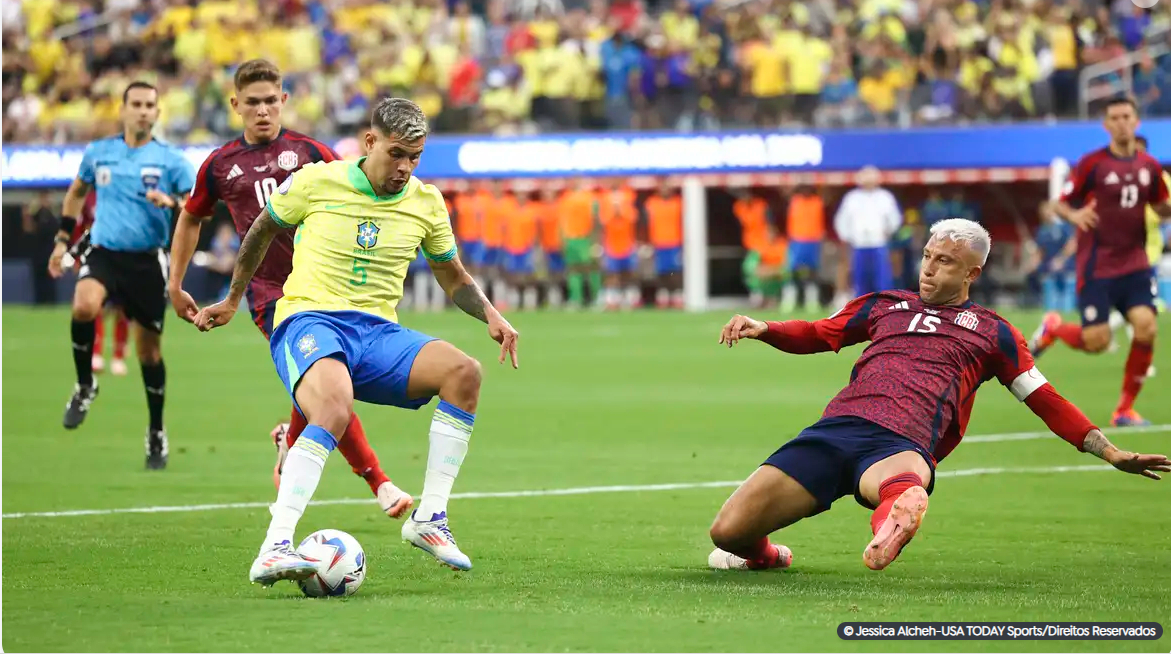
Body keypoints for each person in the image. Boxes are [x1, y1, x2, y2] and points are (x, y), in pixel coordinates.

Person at [708, 219, 1170, 573]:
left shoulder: (995, 333)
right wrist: (765, 329)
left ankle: (896, 520)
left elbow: (1043, 398)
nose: (928, 268)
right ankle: (766, 556)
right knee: (727, 532)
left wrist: (1108, 450)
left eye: (944, 262)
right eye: (927, 256)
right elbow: (816, 332)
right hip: (835, 430)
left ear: (973, 272)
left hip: (901, 444)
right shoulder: (884, 304)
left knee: (901, 486)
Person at [193, 97, 519, 584]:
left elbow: (451, 275)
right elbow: (260, 232)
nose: (405, 167)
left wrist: (491, 314)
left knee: (464, 372)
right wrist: (233, 298)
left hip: (377, 334)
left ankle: (430, 519)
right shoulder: (316, 181)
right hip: (309, 320)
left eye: (415, 157)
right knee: (334, 402)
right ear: (370, 142)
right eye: (396, 154)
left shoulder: (426, 202)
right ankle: (275, 545)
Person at [167, 60, 408, 517]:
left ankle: (290, 439)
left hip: (326, 286)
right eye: (252, 102)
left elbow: (358, 193)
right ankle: (380, 483)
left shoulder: (311, 151)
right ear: (235, 105)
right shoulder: (220, 165)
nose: (262, 110)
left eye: (270, 100)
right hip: (270, 295)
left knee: (327, 383)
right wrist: (175, 283)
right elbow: (191, 218)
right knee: (331, 383)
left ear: (284, 101)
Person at [47, 81, 196, 470]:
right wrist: (63, 240)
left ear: (158, 113)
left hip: (147, 262)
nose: (144, 111)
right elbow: (77, 192)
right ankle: (84, 385)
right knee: (83, 306)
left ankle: (156, 431)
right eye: (137, 104)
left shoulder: (171, 160)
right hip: (104, 253)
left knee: (148, 353)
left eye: (150, 105)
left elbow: (200, 208)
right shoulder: (100, 153)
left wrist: (174, 203)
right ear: (124, 109)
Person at [1029, 98, 1171, 427]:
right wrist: (1075, 213)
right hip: (1098, 266)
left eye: (1127, 117)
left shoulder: (1149, 167)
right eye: (1115, 118)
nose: (1121, 123)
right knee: (1098, 342)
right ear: (1106, 125)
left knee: (1147, 328)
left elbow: (1162, 206)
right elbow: (1060, 203)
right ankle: (1055, 329)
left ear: (1137, 122)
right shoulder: (1092, 164)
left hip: (1135, 263)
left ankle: (1125, 410)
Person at [833, 166, 902, 296]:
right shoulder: (852, 198)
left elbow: (895, 219)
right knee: (860, 278)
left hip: (878, 243)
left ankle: (883, 304)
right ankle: (861, 305)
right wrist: (847, 237)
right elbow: (841, 220)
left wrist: (888, 231)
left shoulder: (885, 197)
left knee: (882, 278)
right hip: (859, 244)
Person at [644, 178, 684, 309]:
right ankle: (663, 296)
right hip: (658, 243)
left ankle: (677, 295)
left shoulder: (678, 202)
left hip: (675, 242)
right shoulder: (651, 203)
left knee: (675, 271)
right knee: (661, 271)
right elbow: (646, 223)